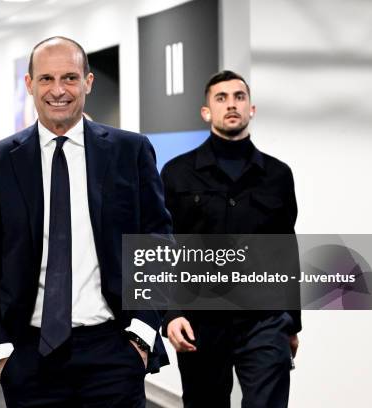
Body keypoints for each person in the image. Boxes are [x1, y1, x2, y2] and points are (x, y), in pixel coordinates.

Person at [0, 36, 172, 407]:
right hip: (28, 354)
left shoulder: (130, 150)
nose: (58, 90)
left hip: (113, 349)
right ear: (28, 85)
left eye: (70, 78)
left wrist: (142, 333)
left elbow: (157, 243)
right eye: (46, 79)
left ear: (88, 83)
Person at [161, 70, 301, 408]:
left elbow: (287, 247)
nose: (231, 104)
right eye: (221, 98)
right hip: (200, 320)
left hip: (264, 319)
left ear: (251, 109)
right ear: (206, 111)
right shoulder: (177, 173)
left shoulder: (277, 175)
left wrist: (292, 321)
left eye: (239, 97)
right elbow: (162, 247)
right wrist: (169, 314)